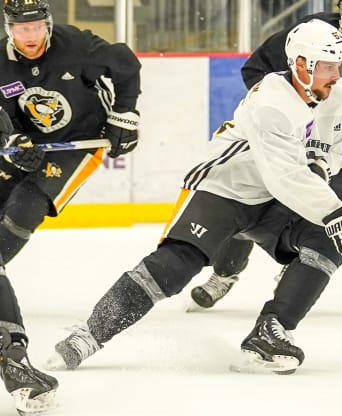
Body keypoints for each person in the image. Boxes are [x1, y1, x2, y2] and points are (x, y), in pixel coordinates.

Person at [46, 19, 342, 374]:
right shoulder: (271, 100)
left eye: (341, 64)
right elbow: (284, 177)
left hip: (276, 199)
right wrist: (340, 213)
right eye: (329, 66)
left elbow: (335, 151)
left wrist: (320, 166)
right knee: (176, 266)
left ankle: (271, 333)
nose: (338, 74)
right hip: (227, 187)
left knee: (326, 242)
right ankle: (90, 334)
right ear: (301, 64)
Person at [190, 0, 342, 310]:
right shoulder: (312, 31)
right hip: (295, 120)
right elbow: (256, 68)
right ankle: (225, 271)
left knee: (333, 197)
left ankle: (301, 263)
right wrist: (284, 112)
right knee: (251, 191)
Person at [0, 0, 141, 412]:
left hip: (74, 147)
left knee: (24, 206)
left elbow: (126, 62)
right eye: (20, 29)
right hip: (21, 146)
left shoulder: (77, 46)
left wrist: (125, 115)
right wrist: (8, 140)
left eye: (36, 27)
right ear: (9, 28)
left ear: (48, 23)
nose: (30, 37)